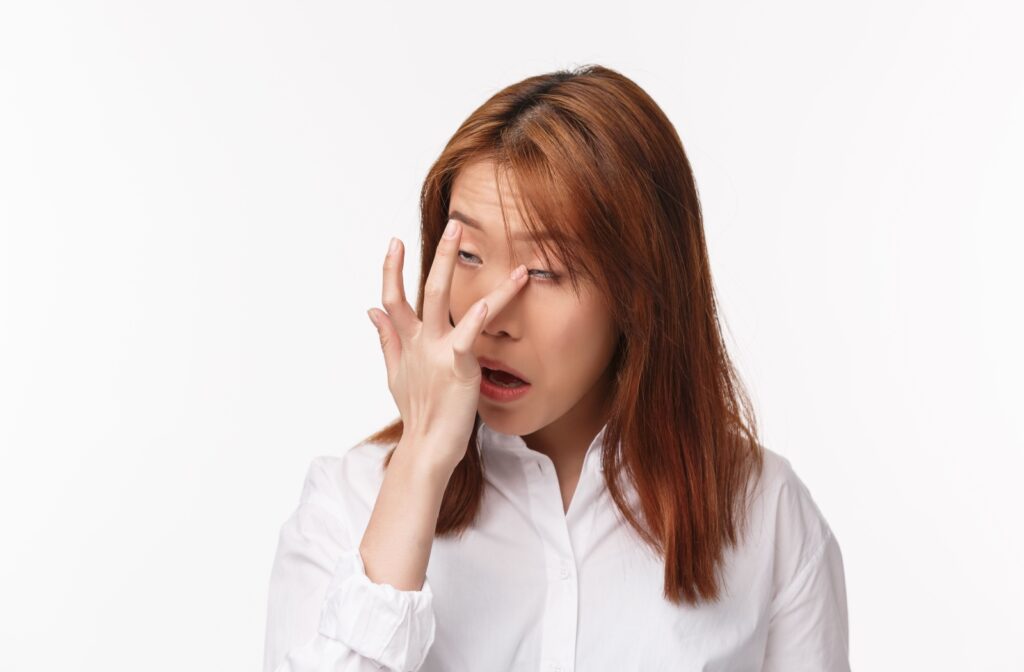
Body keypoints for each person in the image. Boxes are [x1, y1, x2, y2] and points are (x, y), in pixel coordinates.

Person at [262, 64, 850, 672]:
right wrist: (419, 466)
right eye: (466, 254)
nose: (491, 316)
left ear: (640, 289)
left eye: (543, 271)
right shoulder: (348, 503)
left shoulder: (767, 514)